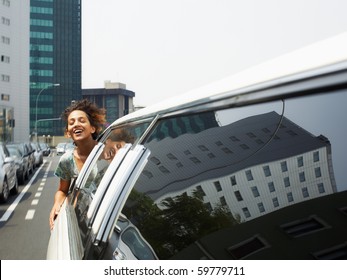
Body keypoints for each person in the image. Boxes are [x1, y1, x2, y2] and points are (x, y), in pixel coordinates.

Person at [49, 99, 106, 230]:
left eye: (82, 120)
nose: (76, 124)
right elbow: (62, 190)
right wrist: (57, 205)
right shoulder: (66, 160)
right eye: (71, 122)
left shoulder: (108, 153)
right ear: (68, 132)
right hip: (83, 224)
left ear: (93, 128)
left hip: (108, 219)